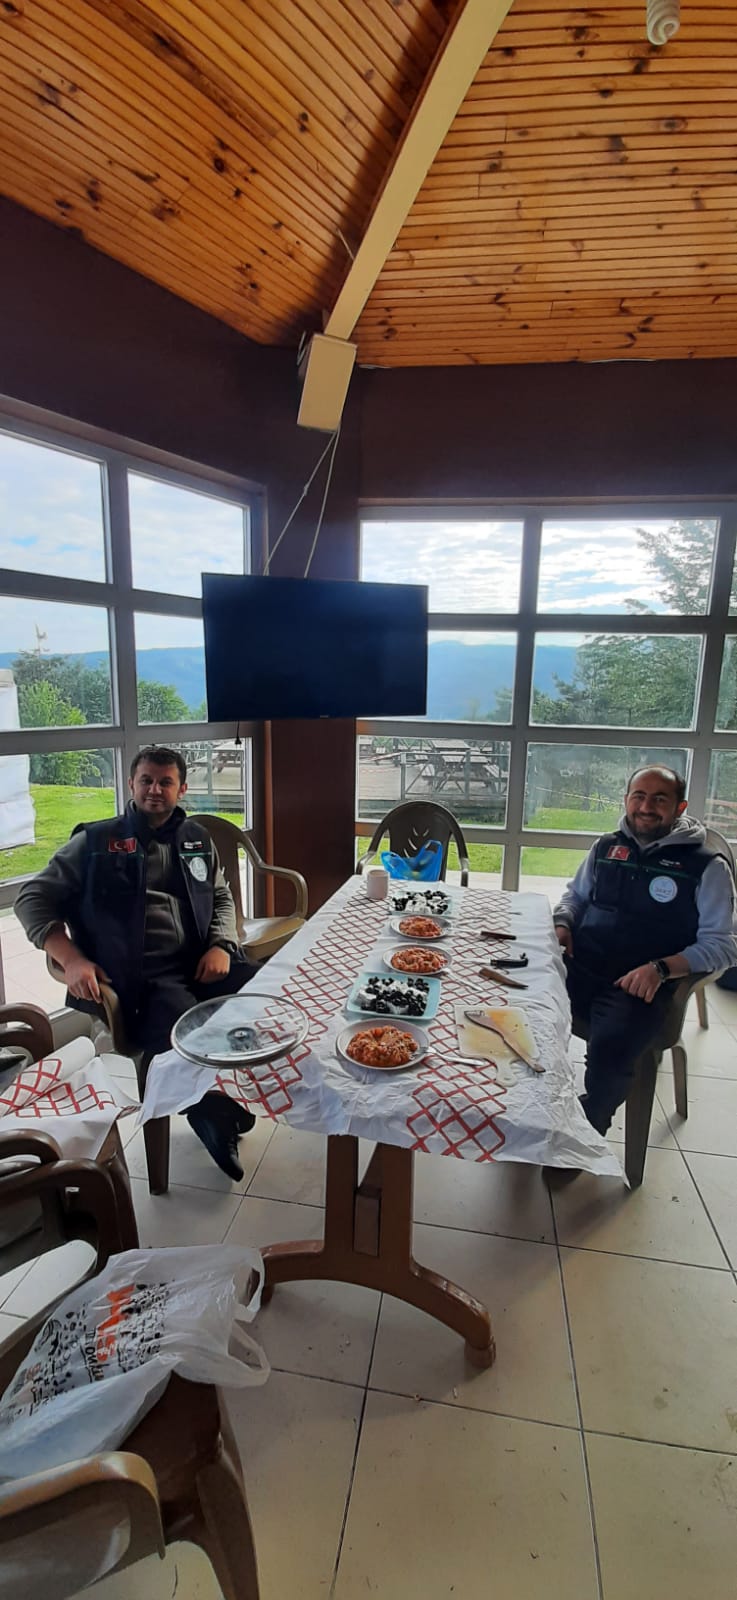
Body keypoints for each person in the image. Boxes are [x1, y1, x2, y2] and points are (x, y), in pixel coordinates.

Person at [15, 746, 258, 1181]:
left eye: (166, 782)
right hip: (142, 979)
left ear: (182, 789)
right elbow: (31, 899)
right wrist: (71, 958)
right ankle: (213, 1113)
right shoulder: (94, 843)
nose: (154, 790)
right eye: (146, 780)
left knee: (269, 990)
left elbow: (220, 896)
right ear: (131, 784)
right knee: (185, 1026)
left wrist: (222, 944)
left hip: (201, 962)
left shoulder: (196, 839)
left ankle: (230, 1099)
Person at [553, 764, 737, 1138]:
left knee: (612, 1046)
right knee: (514, 997)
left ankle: (587, 1132)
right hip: (583, 965)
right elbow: (575, 897)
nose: (646, 807)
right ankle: (524, 1106)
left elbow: (723, 945)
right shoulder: (606, 847)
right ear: (626, 800)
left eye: (659, 799)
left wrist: (662, 968)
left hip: (642, 984)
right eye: (639, 796)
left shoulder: (706, 865)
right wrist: (563, 923)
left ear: (680, 807)